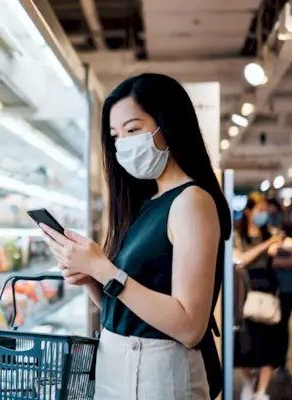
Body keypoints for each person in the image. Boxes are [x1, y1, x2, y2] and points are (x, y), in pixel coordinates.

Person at [39, 73, 231, 399]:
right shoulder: (145, 205)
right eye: (115, 136)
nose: (123, 144)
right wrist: (89, 276)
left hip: (159, 375)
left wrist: (105, 269)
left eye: (132, 129)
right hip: (118, 365)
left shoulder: (192, 202)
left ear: (168, 126)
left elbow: (189, 327)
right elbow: (127, 309)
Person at [233, 197, 283, 400]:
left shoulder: (270, 233)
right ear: (248, 212)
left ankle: (261, 392)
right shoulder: (237, 236)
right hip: (246, 294)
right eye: (260, 209)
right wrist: (266, 245)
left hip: (269, 293)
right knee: (246, 348)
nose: (264, 213)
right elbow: (240, 260)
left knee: (271, 347)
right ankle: (249, 382)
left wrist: (275, 245)